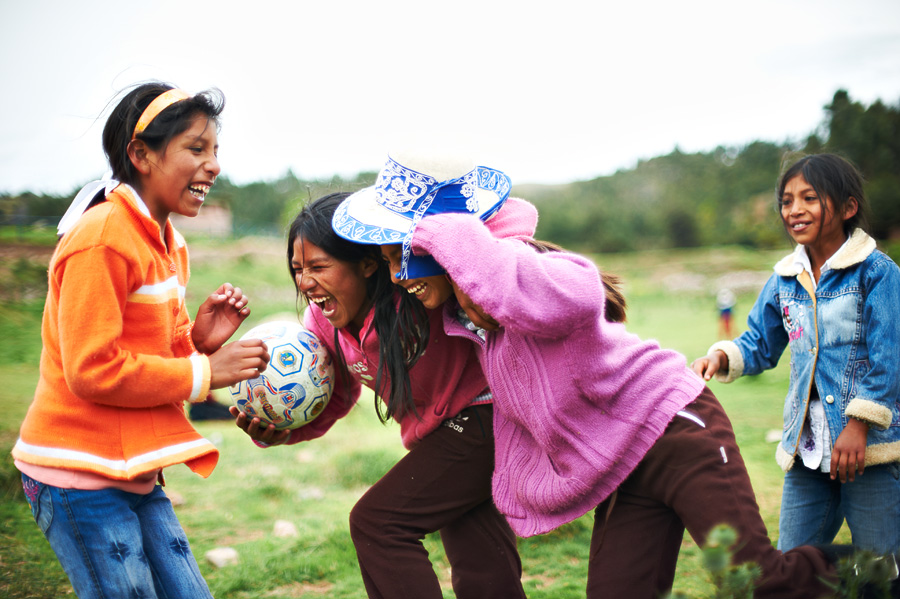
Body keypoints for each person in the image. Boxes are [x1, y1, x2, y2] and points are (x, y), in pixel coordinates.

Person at [333, 151, 884, 599]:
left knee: (754, 578)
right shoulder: (472, 328)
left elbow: (573, 291)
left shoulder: (550, 280)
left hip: (677, 433)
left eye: (401, 255)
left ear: (451, 247)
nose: (396, 275)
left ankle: (880, 573)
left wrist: (450, 234)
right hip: (625, 473)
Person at [11, 82, 271, 599]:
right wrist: (207, 373)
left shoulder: (167, 241)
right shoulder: (104, 237)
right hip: (76, 472)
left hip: (134, 470)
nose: (213, 165)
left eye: (215, 151)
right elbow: (92, 370)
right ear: (141, 154)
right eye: (196, 149)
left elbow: (145, 357)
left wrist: (197, 341)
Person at [231, 192, 525, 599]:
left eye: (319, 266)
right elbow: (335, 398)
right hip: (446, 436)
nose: (305, 281)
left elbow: (517, 213)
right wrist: (279, 431)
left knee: (379, 524)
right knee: (480, 557)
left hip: (488, 415)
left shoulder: (414, 289)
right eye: (297, 269)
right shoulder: (322, 323)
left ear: (368, 263)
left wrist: (420, 227)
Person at [692, 153, 900, 555]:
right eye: (787, 201)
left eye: (810, 198)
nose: (795, 210)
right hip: (807, 451)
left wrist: (858, 425)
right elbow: (759, 342)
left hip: (868, 451)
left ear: (848, 207)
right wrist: (719, 357)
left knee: (880, 571)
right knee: (790, 566)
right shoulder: (784, 278)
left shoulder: (878, 273)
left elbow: (889, 361)